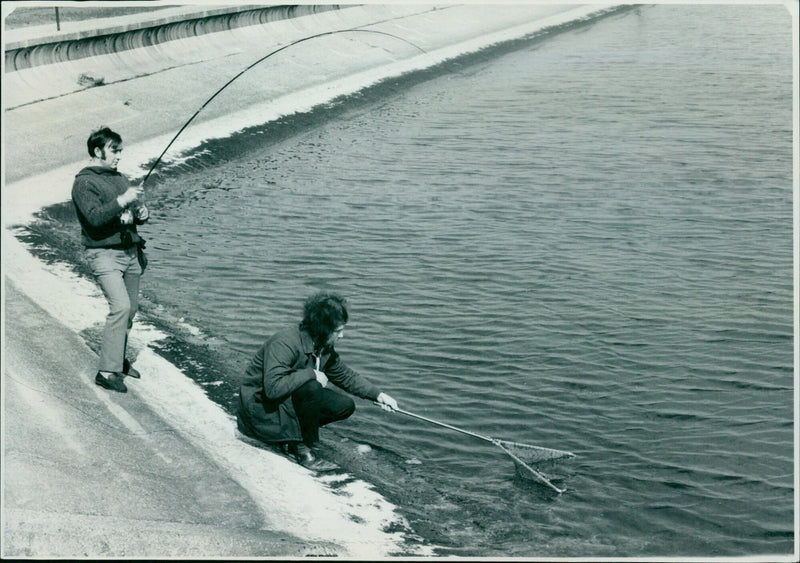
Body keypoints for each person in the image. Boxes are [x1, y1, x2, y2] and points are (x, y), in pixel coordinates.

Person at [237, 292, 398, 470]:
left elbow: (345, 375)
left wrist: (378, 395)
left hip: (279, 409)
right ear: (322, 328)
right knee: (312, 388)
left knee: (344, 405)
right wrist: (311, 373)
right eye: (338, 331)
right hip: (258, 416)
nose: (342, 336)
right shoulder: (284, 343)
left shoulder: (321, 344)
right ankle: (303, 450)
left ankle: (292, 438)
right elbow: (273, 388)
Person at [72, 127, 149, 394]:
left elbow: (131, 214)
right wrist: (123, 200)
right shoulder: (84, 183)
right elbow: (94, 217)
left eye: (120, 150)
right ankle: (107, 371)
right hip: (103, 254)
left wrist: (140, 211)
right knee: (120, 307)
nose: (119, 155)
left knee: (131, 309)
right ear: (97, 151)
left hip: (130, 253)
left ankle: (118, 359)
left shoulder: (119, 178)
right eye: (114, 150)